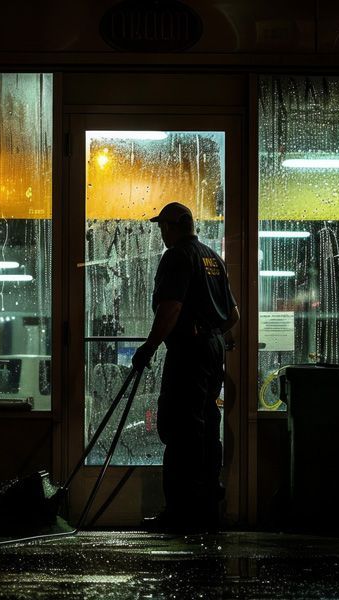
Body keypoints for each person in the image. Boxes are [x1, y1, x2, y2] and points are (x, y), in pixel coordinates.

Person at [132, 201, 239, 533]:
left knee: (179, 428)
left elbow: (171, 308)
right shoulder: (213, 258)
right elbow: (233, 316)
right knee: (206, 425)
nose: (162, 233)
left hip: (189, 352)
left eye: (163, 226)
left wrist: (149, 347)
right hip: (211, 349)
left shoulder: (177, 256)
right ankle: (206, 505)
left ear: (174, 226)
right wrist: (213, 337)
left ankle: (179, 511)